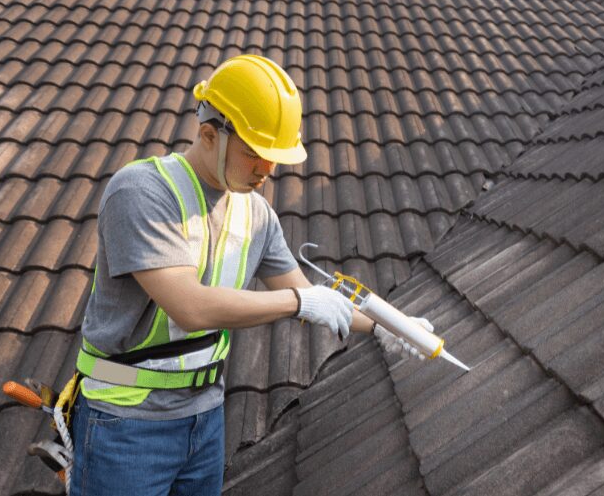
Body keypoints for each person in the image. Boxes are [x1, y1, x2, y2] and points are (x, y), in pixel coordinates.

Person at [69, 54, 430, 496]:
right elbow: (191, 307)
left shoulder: (256, 214)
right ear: (208, 135)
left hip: (204, 420)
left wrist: (391, 328)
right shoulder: (142, 193)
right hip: (125, 424)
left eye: (274, 158)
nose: (267, 170)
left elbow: (312, 296)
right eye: (254, 154)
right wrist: (299, 303)